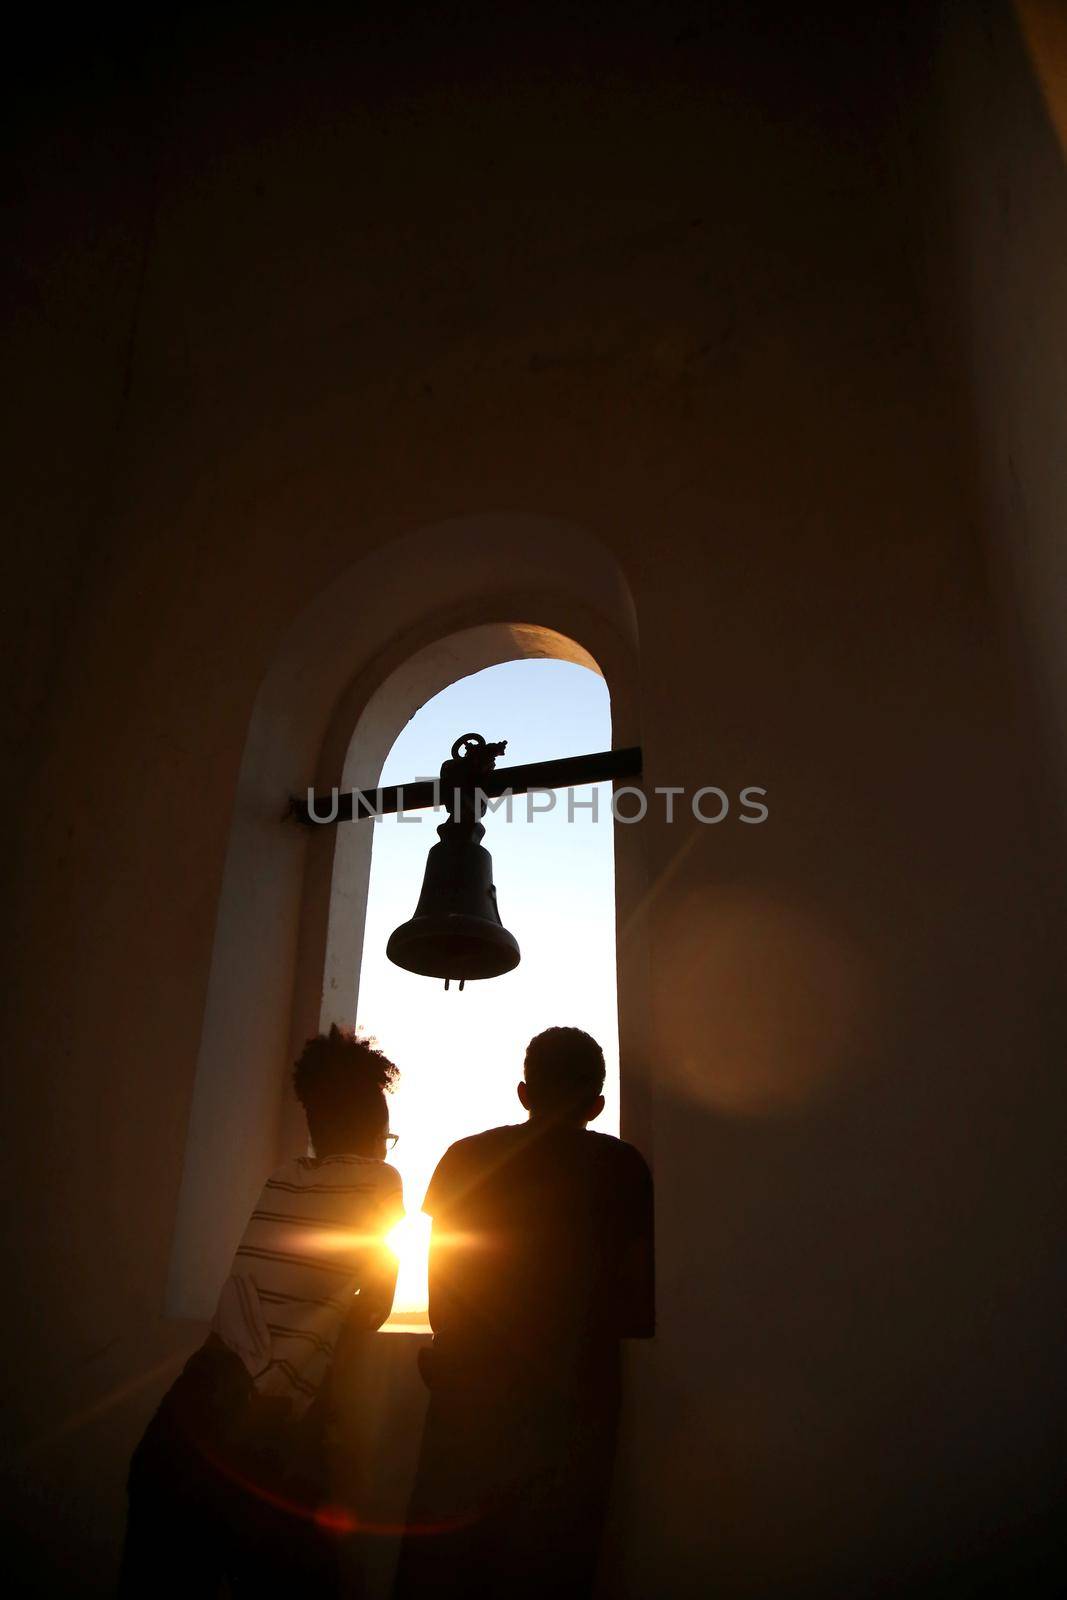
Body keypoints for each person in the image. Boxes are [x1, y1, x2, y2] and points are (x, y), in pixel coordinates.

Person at [119, 1025, 404, 1597]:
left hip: (183, 1417)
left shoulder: (283, 1177)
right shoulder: (381, 1180)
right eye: (388, 1135)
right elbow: (374, 1304)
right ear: (377, 1136)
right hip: (261, 1435)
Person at [393, 1026, 654, 1600]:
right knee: (549, 1571)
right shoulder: (624, 1167)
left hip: (467, 1399)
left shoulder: (464, 1158)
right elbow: (636, 1305)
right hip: (574, 1411)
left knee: (442, 1571)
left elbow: (444, 1282)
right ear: (597, 1104)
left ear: (523, 1093)